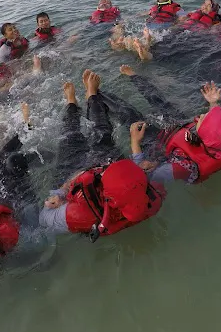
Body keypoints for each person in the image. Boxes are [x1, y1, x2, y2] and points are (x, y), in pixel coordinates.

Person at [39, 70, 166, 240]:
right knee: (102, 132)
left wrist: (61, 193)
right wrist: (146, 156)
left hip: (70, 177)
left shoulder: (78, 214)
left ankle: (71, 103)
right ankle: (91, 95)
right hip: (104, 164)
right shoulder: (148, 196)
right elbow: (141, 171)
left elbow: (44, 218)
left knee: (70, 137)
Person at [117, 66, 221, 184]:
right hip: (181, 127)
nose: (200, 116)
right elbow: (218, 127)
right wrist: (213, 103)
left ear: (205, 133)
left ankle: (97, 96)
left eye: (204, 118)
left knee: (127, 115)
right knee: (158, 99)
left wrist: (135, 142)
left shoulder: (185, 168)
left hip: (161, 143)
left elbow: (146, 177)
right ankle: (133, 76)